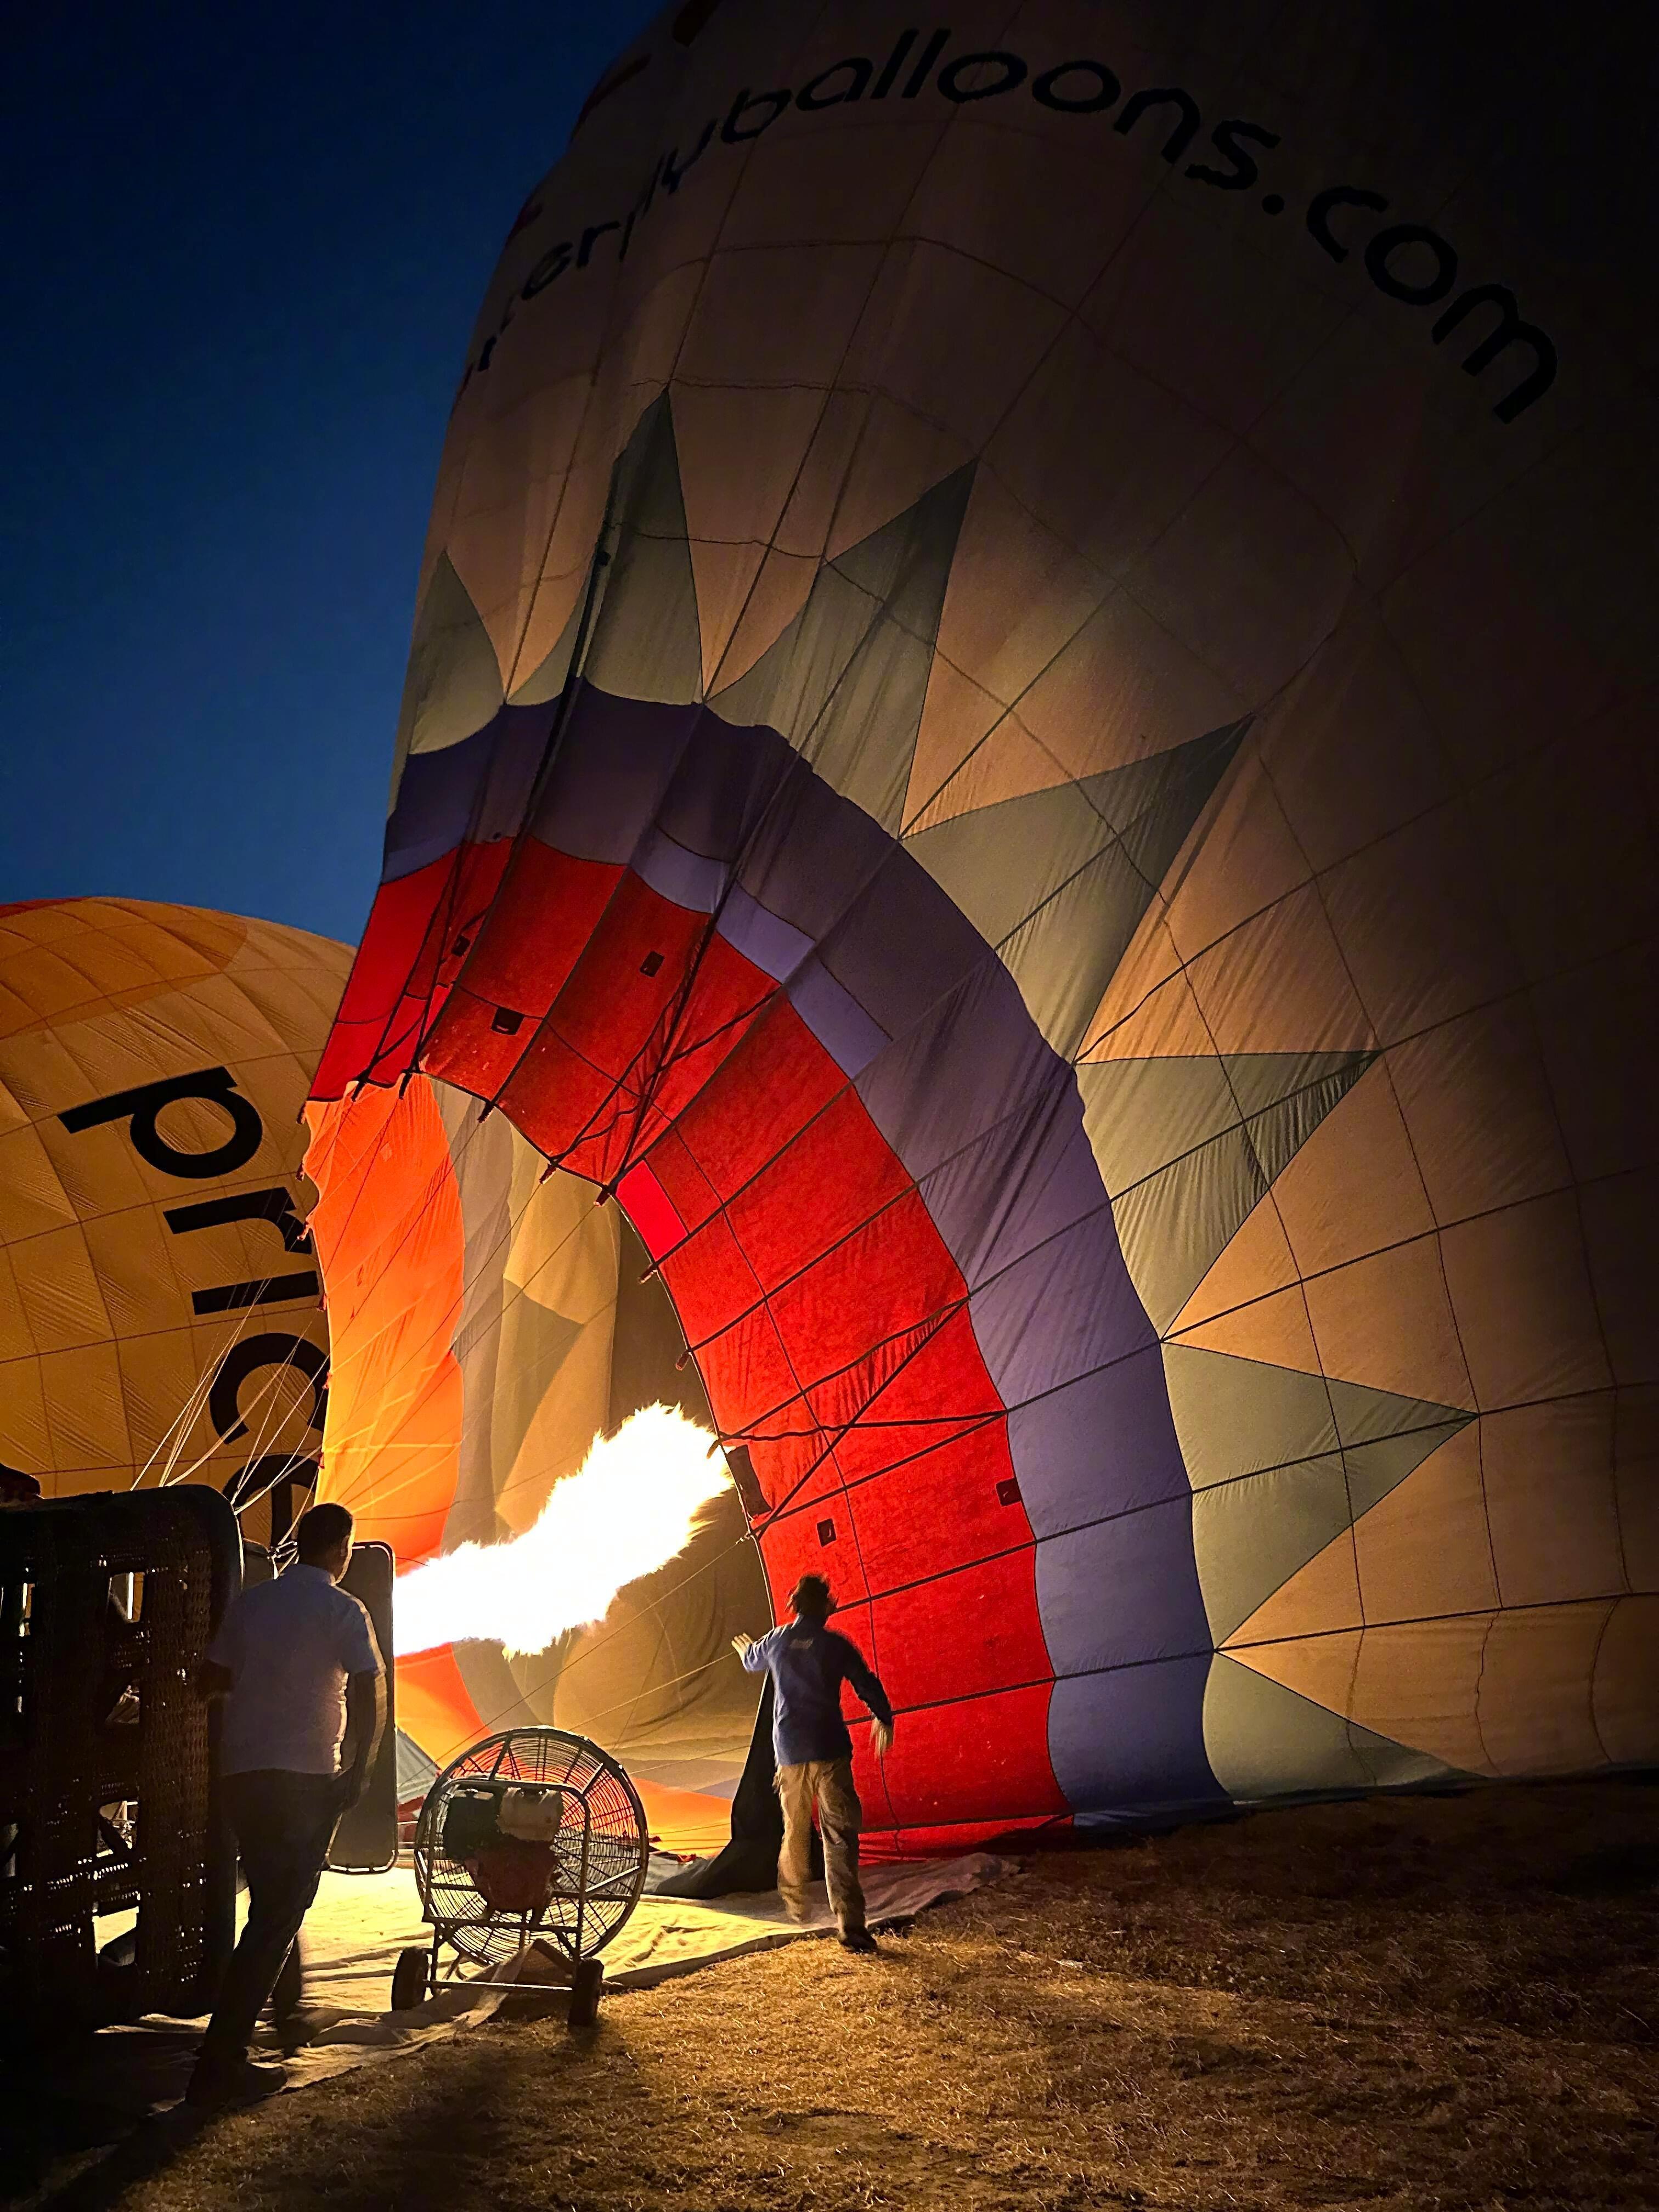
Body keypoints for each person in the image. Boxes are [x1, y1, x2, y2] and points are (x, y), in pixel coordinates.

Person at [187, 1501, 385, 2107]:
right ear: (342, 1549)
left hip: (244, 1777)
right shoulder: (344, 1609)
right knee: (278, 1912)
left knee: (276, 1899)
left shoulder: (250, 1605)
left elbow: (209, 1681)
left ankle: (287, 2012)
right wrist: (360, 1769)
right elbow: (371, 1689)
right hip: (304, 1780)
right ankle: (221, 2062)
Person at [733, 1575, 893, 1954]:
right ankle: (851, 1926)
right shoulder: (835, 1645)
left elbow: (752, 1660)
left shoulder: (776, 1641)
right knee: (839, 1836)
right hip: (830, 1750)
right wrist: (883, 1715)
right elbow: (865, 1682)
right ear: (827, 1607)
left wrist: (744, 1652)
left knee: (795, 1830)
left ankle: (795, 1902)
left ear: (795, 1606)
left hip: (789, 1755)